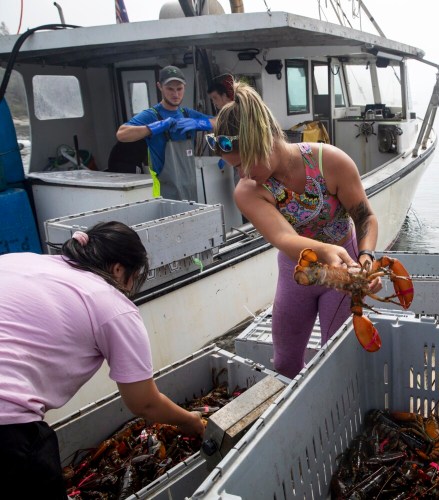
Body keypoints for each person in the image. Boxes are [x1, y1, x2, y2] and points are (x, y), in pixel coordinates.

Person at [0, 221, 205, 499]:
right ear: (119, 269)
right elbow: (144, 402)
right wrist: (192, 423)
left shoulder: (21, 261)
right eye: (135, 277)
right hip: (8, 431)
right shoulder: (111, 305)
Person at [210, 82, 380, 379]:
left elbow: (365, 218)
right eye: (235, 167)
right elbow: (283, 238)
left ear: (264, 140)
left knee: (337, 359)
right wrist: (326, 251)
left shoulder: (331, 162)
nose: (243, 174)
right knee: (285, 362)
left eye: (244, 164)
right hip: (297, 271)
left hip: (345, 267)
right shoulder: (248, 191)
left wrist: (366, 258)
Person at [116, 65, 214, 201]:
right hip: (165, 192)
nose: (176, 94)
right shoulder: (151, 115)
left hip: (190, 191)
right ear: (159, 86)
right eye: (170, 89)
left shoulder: (188, 114)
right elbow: (122, 134)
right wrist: (154, 127)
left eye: (179, 89)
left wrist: (201, 123)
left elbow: (221, 122)